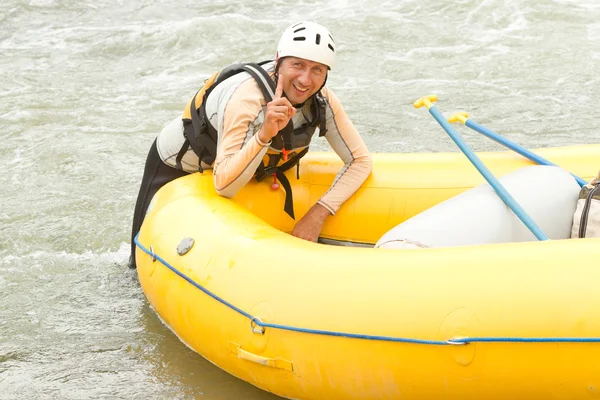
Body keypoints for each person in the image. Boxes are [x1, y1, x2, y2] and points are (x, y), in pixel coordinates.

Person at [130, 21, 372, 268]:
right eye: (297, 65)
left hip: (244, 169)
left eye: (317, 70)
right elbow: (224, 184)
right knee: (136, 267)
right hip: (176, 165)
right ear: (279, 62)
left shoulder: (322, 101)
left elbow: (360, 161)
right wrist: (264, 135)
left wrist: (317, 214)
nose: (305, 79)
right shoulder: (247, 98)